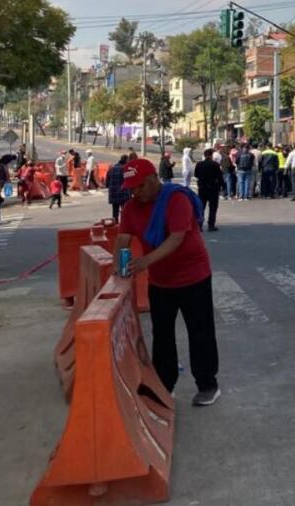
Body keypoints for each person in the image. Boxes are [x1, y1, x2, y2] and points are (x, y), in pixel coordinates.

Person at [116, 158, 220, 406]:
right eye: (131, 188)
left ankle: (207, 384)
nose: (135, 192)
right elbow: (122, 238)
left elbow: (176, 239)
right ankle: (164, 384)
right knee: (162, 335)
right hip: (161, 282)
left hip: (193, 277)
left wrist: (145, 261)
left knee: (200, 332)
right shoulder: (131, 208)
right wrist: (117, 266)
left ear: (154, 179)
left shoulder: (176, 200)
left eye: (139, 186)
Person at [194, 148, 223, 231]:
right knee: (213, 207)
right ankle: (211, 225)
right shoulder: (215, 164)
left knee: (201, 207)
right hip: (213, 188)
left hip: (202, 187)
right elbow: (219, 177)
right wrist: (221, 186)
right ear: (211, 155)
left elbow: (196, 174)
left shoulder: (199, 164)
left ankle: (199, 225)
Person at [106, 155, 130, 221]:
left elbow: (107, 182)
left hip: (113, 194)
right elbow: (129, 181)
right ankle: (123, 226)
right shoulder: (125, 169)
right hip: (123, 194)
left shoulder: (112, 169)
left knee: (115, 213)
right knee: (125, 212)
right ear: (126, 160)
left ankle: (115, 226)